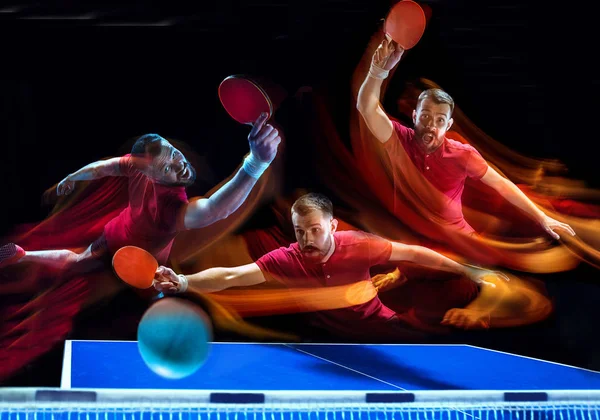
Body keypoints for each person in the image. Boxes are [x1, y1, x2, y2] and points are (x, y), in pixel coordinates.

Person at [152, 193, 508, 340]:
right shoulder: (286, 258)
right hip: (329, 340)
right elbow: (232, 276)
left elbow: (415, 254)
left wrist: (468, 271)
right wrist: (183, 282)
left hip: (383, 332)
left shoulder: (360, 246)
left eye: (315, 230)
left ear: (333, 227)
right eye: (300, 231)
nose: (307, 238)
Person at [0, 112, 281, 274]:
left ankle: (25, 255)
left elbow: (101, 168)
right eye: (168, 167)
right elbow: (215, 209)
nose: (179, 163)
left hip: (117, 231)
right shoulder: (173, 208)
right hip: (144, 253)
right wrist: (256, 163)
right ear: (152, 174)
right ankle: (23, 255)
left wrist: (72, 177)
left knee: (79, 259)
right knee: (152, 285)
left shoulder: (137, 165)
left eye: (173, 152)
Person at [356, 38, 575, 240]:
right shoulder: (398, 139)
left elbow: (502, 184)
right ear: (414, 117)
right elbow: (366, 106)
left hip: (458, 240)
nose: (431, 124)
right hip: (413, 237)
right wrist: (378, 69)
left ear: (448, 125)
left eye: (440, 120)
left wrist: (542, 217)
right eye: (425, 116)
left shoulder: (462, 153)